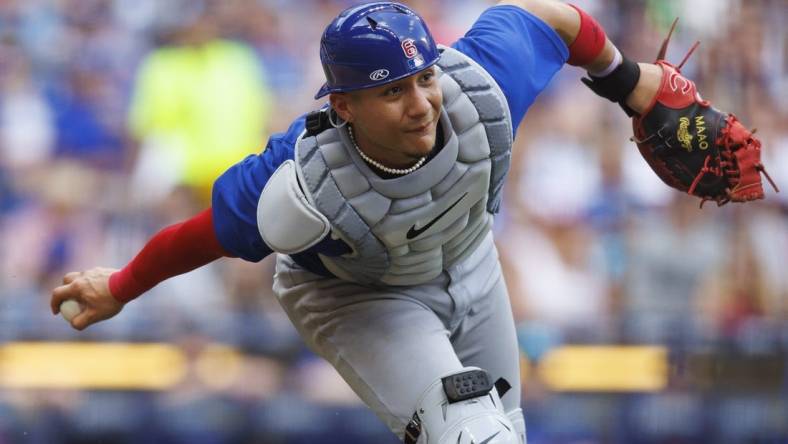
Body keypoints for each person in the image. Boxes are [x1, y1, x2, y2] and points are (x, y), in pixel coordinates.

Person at [49, 1, 735, 442]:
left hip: (469, 259)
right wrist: (123, 284)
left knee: (506, 432)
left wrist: (622, 80)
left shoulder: (479, 86)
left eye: (423, 79)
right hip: (358, 295)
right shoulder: (300, 182)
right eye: (391, 91)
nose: (421, 103)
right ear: (343, 106)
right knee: (472, 433)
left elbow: (548, 17)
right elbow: (202, 235)